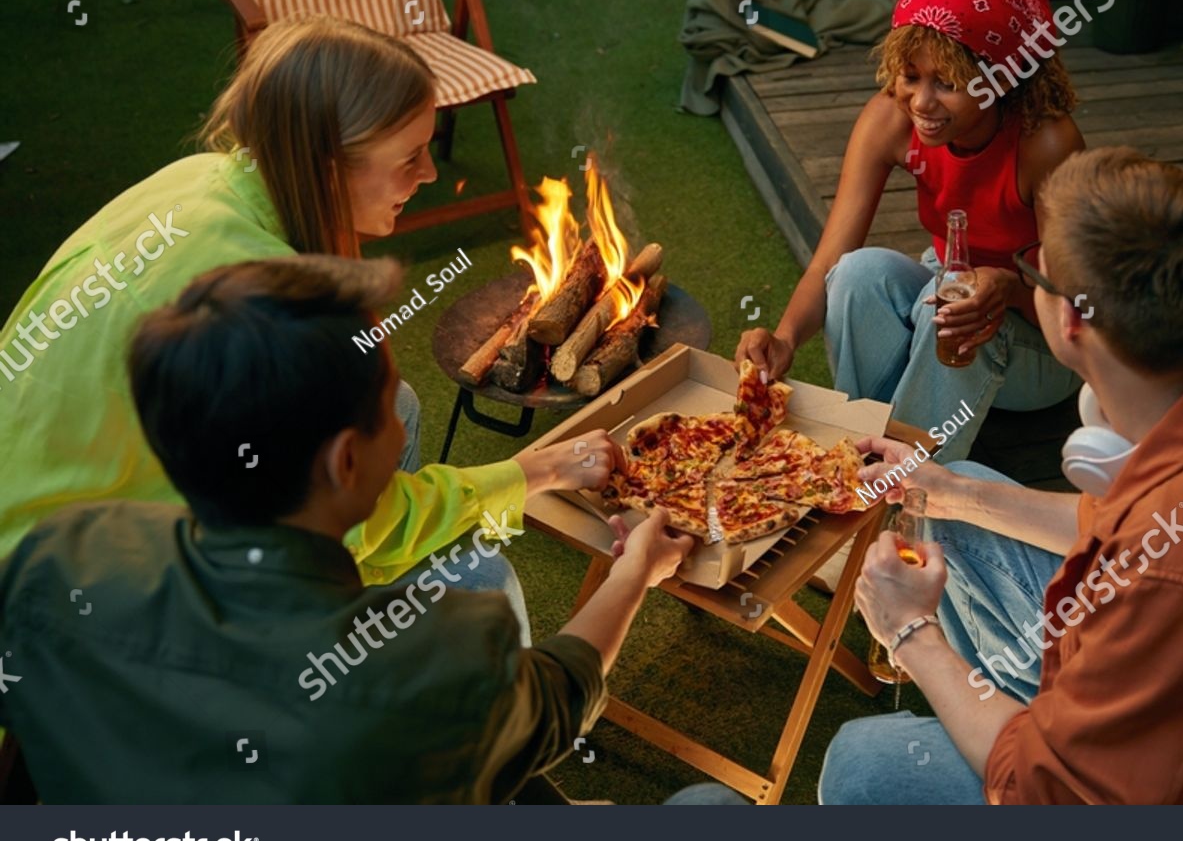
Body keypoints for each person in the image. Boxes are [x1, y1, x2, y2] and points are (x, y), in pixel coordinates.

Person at [819, 147, 1183, 804]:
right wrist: (947, 492)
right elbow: (1129, 519)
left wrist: (912, 634)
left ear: (1070, 319)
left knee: (862, 767)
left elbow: (1049, 796)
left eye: (1031, 268)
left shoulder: (1178, 578)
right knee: (954, 492)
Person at [0, 255, 694, 803]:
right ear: (345, 460)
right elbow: (559, 695)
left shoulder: (59, 557)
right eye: (386, 407)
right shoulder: (434, 657)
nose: (401, 420)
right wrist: (634, 573)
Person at [0, 16, 579, 620]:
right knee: (481, 585)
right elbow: (362, 521)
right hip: (72, 612)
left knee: (398, 404)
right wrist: (529, 474)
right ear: (328, 163)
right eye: (410, 156)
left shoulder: (198, 178)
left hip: (49, 501)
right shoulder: (272, 307)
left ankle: (341, 601)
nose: (430, 174)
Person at [736, 0, 1084, 463]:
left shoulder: (1046, 144)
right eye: (910, 75)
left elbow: (1078, 311)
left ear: (1002, 79)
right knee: (859, 274)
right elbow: (828, 262)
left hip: (1045, 347)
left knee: (946, 309)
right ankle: (856, 451)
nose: (921, 102)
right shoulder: (889, 120)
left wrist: (1007, 289)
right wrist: (786, 340)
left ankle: (903, 492)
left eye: (947, 83)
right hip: (947, 282)